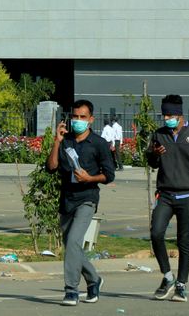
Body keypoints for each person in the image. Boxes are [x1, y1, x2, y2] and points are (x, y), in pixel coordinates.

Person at [146, 94, 189, 303]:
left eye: (170, 114)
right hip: (165, 195)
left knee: (183, 241)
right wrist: (155, 154)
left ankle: (181, 285)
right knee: (156, 233)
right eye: (164, 114)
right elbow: (152, 162)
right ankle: (167, 277)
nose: (166, 118)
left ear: (179, 114)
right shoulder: (159, 134)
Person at [47, 99, 115, 306]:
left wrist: (90, 178)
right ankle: (94, 280)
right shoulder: (65, 140)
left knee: (75, 242)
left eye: (82, 117)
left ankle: (71, 290)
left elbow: (109, 175)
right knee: (72, 246)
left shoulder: (99, 144)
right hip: (67, 199)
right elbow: (51, 167)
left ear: (90, 120)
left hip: (87, 198)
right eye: (74, 117)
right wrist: (57, 141)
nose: (77, 121)